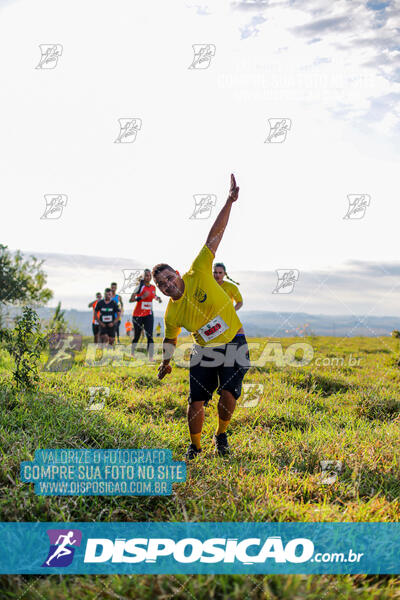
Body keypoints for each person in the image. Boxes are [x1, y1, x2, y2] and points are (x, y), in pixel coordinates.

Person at [153, 174, 250, 460]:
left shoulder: (199, 268)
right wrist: (166, 363)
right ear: (159, 289)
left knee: (229, 395)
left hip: (234, 340)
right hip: (204, 350)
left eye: (169, 278)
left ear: (178, 274)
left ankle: (221, 434)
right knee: (196, 400)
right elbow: (170, 340)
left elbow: (215, 235)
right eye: (162, 284)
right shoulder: (172, 312)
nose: (168, 284)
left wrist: (229, 202)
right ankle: (194, 446)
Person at [129, 269, 162, 361]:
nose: (148, 277)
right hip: (138, 315)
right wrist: (141, 297)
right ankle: (132, 353)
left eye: (150, 276)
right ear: (143, 277)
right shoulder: (139, 287)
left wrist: (157, 298)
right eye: (146, 275)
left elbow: (153, 295)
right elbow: (131, 300)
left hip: (148, 314)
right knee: (137, 336)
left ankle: (150, 357)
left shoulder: (153, 287)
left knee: (150, 336)